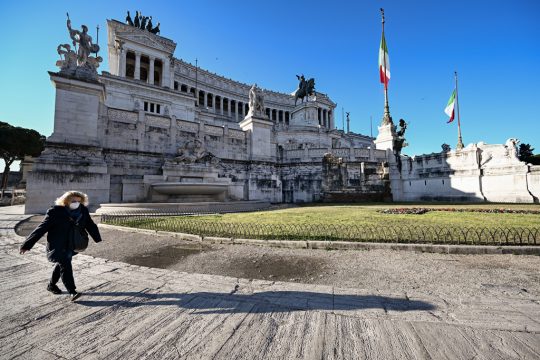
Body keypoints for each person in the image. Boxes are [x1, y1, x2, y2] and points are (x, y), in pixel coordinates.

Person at [19, 191, 102, 301]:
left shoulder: (83, 211)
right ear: (66, 201)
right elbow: (41, 228)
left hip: (73, 243)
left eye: (78, 201)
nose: (76, 203)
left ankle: (51, 285)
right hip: (58, 244)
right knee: (65, 264)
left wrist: (97, 238)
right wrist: (27, 245)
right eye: (73, 201)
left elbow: (90, 224)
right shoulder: (55, 212)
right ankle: (72, 291)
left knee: (62, 264)